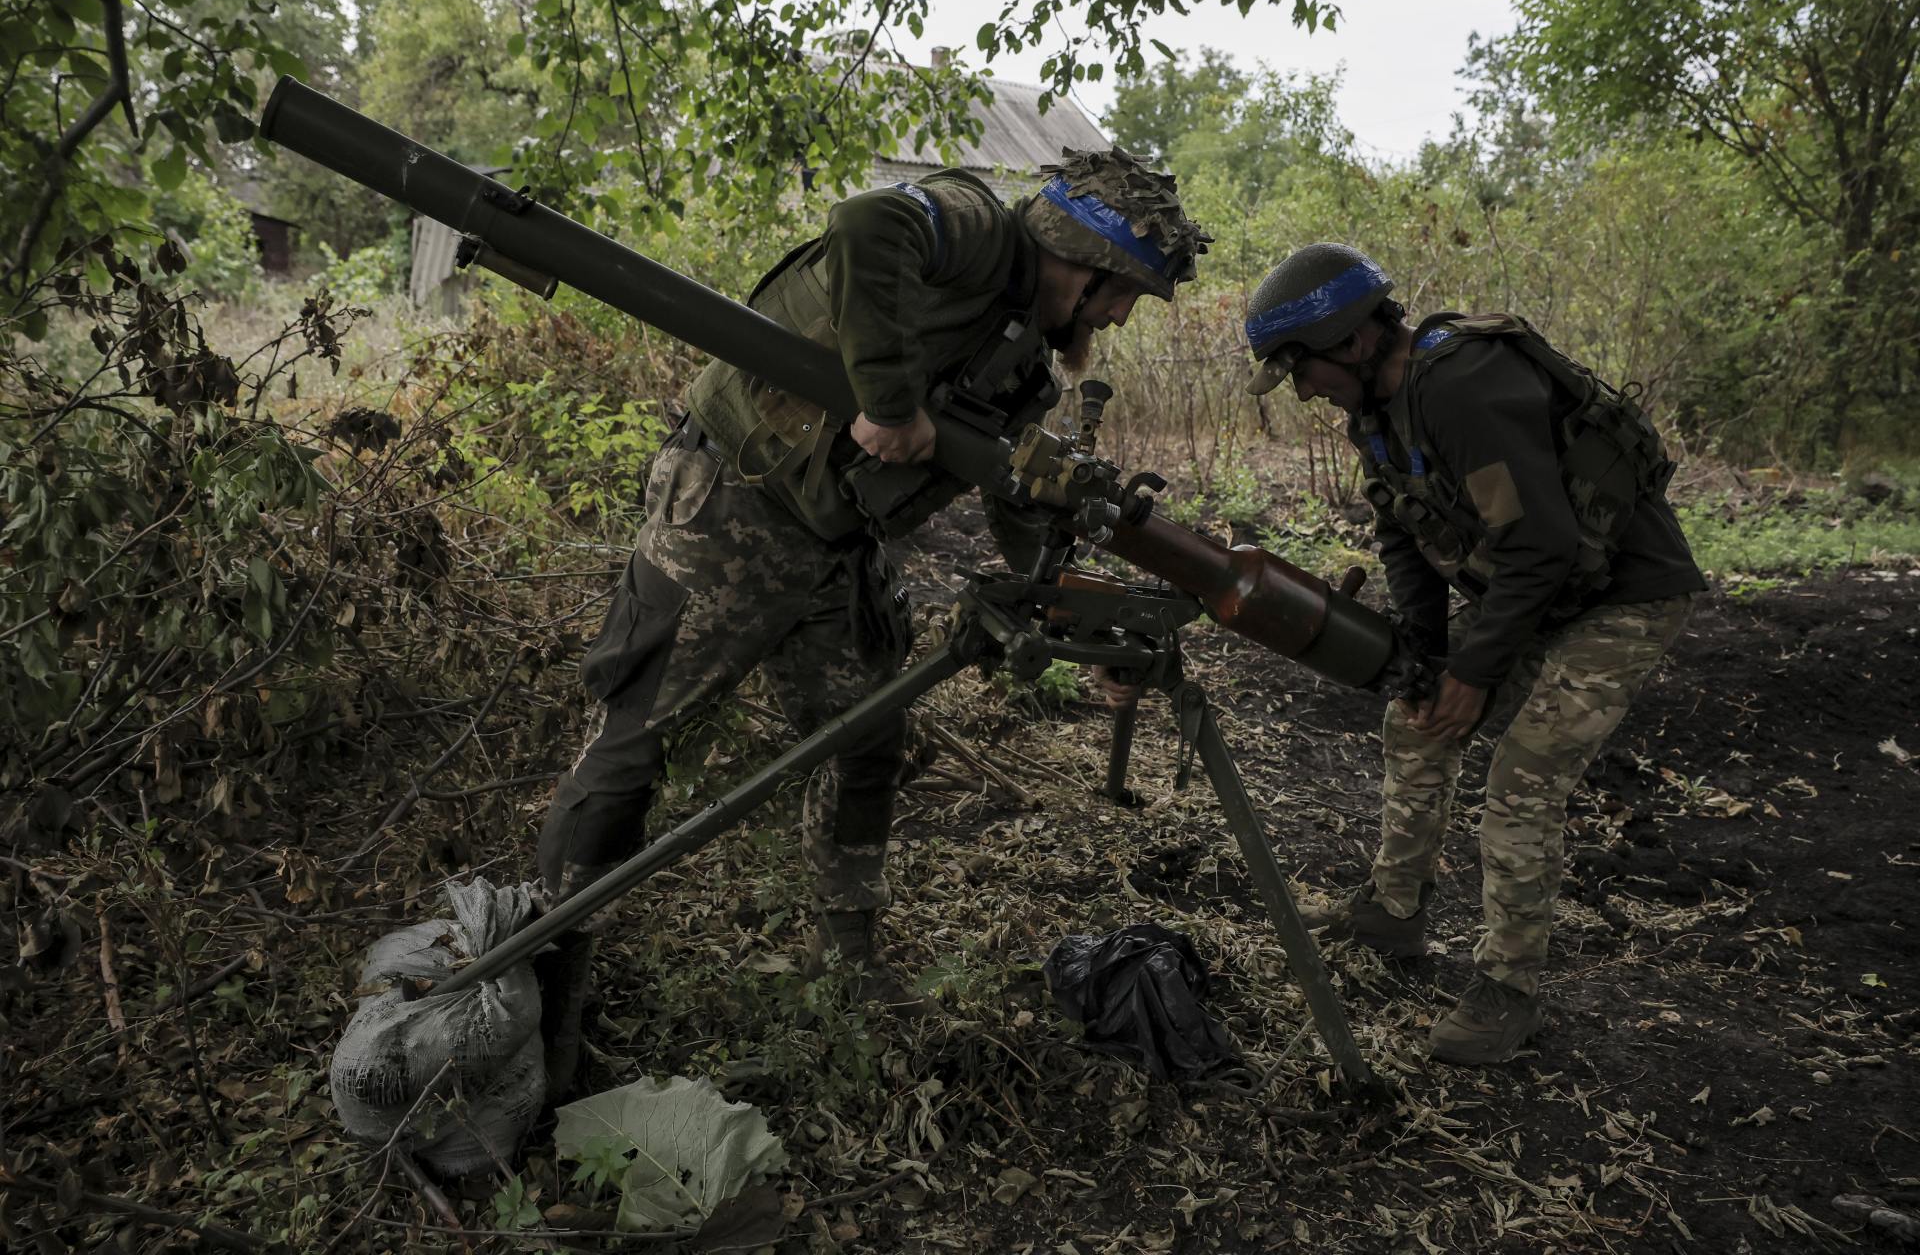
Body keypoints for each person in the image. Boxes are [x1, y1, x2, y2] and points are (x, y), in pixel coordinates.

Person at [533, 149, 1209, 1073]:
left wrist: (1075, 617)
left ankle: (845, 963)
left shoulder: (1025, 368)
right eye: (1121, 294)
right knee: (633, 745)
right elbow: (865, 225)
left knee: (866, 736)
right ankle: (542, 992)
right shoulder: (974, 227)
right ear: (1082, 260)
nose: (1120, 317)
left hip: (836, 546)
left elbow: (1014, 499)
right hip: (732, 506)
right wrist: (890, 404)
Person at [1242, 243, 1706, 1064]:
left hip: (1622, 598)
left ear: (1351, 342)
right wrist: (1426, 661)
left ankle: (1509, 991)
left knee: (1520, 784)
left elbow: (1542, 544)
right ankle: (1395, 909)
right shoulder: (1375, 414)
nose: (1304, 388)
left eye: (1303, 367)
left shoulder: (1462, 387)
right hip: (1541, 591)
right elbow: (1404, 539)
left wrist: (1475, 671)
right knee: (1414, 720)